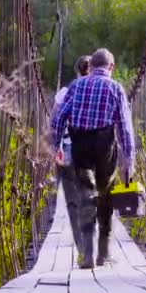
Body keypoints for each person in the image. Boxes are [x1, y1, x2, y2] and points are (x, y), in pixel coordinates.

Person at [51, 48, 135, 269]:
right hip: (104, 145)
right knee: (105, 196)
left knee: (85, 196)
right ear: (111, 67)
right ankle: (104, 254)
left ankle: (88, 254)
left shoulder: (76, 86)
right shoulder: (116, 88)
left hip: (80, 145)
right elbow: (125, 128)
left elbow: (60, 118)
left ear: (91, 66)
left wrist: (56, 146)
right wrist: (129, 160)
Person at [52, 55, 91, 261]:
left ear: (77, 71)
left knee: (74, 204)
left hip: (69, 150)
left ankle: (83, 251)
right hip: (96, 152)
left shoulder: (66, 92)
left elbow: (56, 120)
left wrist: (54, 147)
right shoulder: (104, 88)